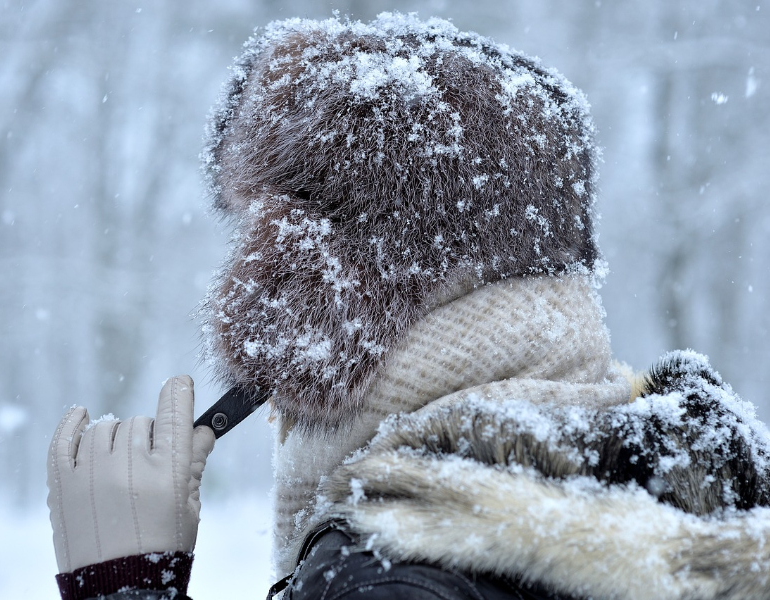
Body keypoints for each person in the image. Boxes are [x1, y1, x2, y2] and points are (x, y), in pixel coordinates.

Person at [46, 13, 770, 600]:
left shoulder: (390, 571)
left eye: (252, 242)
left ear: (319, 285)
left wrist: (127, 589)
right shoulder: (688, 488)